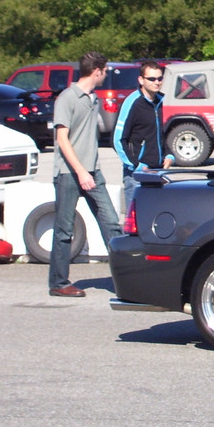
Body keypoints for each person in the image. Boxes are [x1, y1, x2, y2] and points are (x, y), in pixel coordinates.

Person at [48, 52, 122, 297]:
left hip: (94, 172)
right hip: (69, 173)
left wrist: (90, 170)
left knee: (111, 222)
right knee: (64, 230)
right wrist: (80, 172)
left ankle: (125, 278)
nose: (106, 75)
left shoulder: (94, 99)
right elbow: (62, 138)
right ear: (97, 71)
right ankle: (59, 283)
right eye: (106, 70)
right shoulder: (67, 98)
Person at [112, 59, 174, 212]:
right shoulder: (132, 102)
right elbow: (118, 140)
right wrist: (137, 165)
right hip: (137, 175)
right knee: (137, 223)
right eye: (152, 79)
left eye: (160, 78)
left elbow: (161, 134)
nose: (157, 82)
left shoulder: (161, 101)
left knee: (158, 218)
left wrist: (169, 155)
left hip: (158, 172)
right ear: (141, 80)